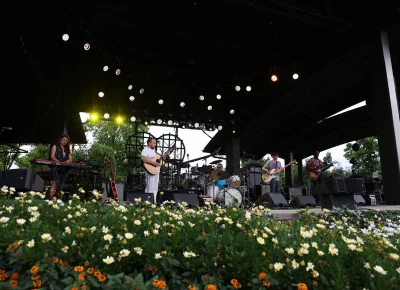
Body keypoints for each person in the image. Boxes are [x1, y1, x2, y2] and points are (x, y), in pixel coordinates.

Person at [141, 138, 170, 203]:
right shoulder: (145, 150)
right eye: (154, 143)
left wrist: (166, 156)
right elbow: (143, 158)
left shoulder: (154, 151)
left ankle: (153, 202)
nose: (155, 144)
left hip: (156, 171)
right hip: (150, 171)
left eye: (155, 143)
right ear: (149, 143)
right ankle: (147, 202)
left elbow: (160, 161)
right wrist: (153, 163)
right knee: (150, 187)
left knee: (155, 188)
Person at [49, 134, 72, 199]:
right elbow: (52, 156)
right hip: (56, 167)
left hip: (64, 169)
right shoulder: (55, 146)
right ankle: (50, 199)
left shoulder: (68, 149)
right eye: (64, 140)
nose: (65, 141)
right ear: (60, 140)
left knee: (61, 184)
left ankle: (57, 200)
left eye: (66, 140)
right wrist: (58, 161)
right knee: (54, 183)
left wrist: (68, 161)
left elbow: (70, 159)